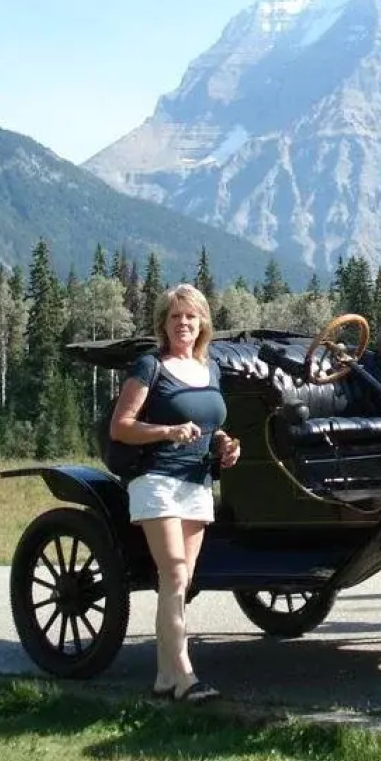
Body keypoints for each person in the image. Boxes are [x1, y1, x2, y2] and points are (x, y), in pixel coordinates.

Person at [110, 283, 241, 702]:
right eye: (175, 316)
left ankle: (165, 677)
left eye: (191, 316)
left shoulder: (210, 369)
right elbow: (121, 427)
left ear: (202, 322)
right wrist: (168, 431)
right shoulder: (150, 366)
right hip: (158, 480)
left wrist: (224, 442)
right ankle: (186, 678)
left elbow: (211, 423)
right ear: (163, 324)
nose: (183, 323)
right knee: (175, 575)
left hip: (198, 482)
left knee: (179, 584)